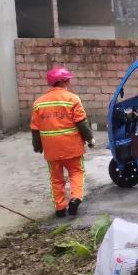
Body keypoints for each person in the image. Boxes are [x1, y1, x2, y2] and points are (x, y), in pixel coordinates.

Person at [31, 67, 94, 218]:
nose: (70, 81)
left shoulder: (38, 103)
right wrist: (89, 139)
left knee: (56, 178)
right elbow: (81, 123)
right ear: (64, 81)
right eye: (68, 79)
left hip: (51, 150)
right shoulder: (72, 99)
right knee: (76, 172)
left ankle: (60, 208)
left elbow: (35, 129)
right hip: (72, 147)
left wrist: (38, 147)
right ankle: (75, 198)